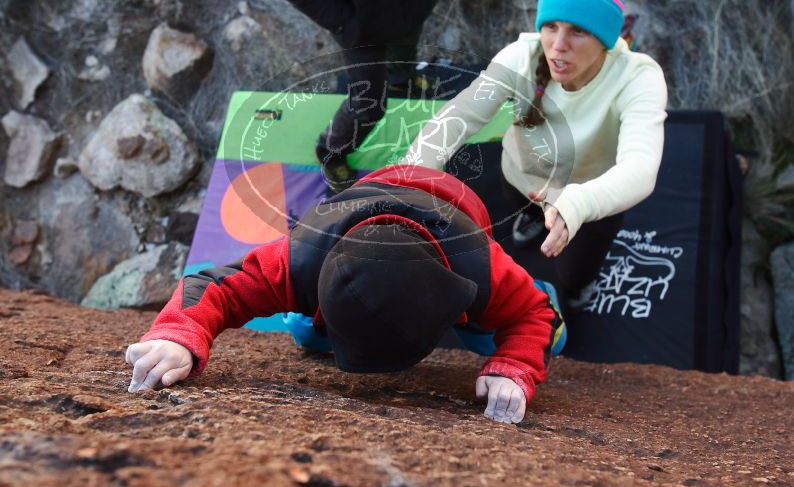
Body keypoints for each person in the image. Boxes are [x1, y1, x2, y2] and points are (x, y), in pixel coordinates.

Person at [125, 165, 565, 424]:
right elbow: (212, 284)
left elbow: (532, 314)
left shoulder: (479, 264)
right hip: (362, 205)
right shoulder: (301, 256)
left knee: (530, 331)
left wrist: (514, 366)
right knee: (304, 333)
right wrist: (177, 334)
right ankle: (314, 324)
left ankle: (519, 306)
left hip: (455, 210)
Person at [401, 0, 668, 308]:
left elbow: (640, 166)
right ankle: (531, 221)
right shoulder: (520, 57)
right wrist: (411, 179)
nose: (558, 45)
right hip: (522, 181)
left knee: (575, 276)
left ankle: (578, 286)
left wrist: (579, 203)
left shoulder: (638, 77)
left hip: (591, 201)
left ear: (605, 39)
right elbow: (460, 115)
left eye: (577, 31)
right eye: (551, 26)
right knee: (524, 209)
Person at [279, 0, 440, 193]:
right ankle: (331, 151)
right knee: (368, 103)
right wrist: (343, 23)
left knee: (404, 49)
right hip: (360, 26)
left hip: (410, 6)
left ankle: (401, 80)